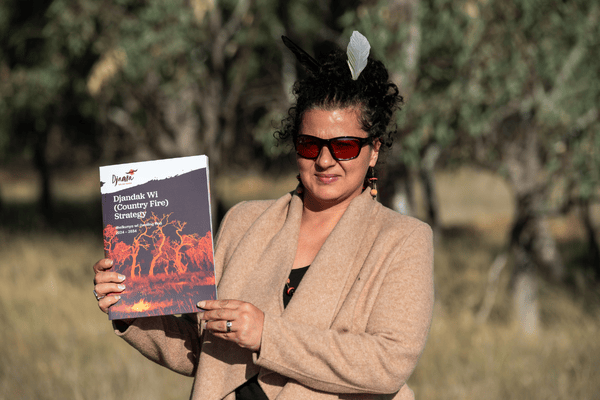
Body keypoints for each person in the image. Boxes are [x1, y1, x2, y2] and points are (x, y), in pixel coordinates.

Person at [93, 32, 434, 400]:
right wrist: (131, 310)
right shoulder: (243, 221)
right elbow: (204, 352)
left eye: (345, 146)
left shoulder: (403, 239)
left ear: (373, 151)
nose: (323, 160)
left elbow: (386, 364)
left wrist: (266, 335)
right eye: (309, 144)